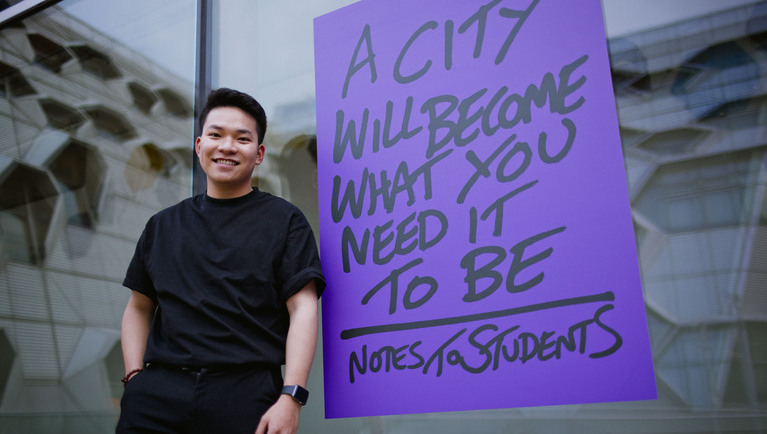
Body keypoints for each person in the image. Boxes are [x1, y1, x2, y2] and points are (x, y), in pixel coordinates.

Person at [116, 88, 325, 434]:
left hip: (246, 395)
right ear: (200, 146)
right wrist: (135, 379)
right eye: (216, 135)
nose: (227, 146)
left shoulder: (285, 220)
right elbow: (138, 307)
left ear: (258, 154)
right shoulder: (163, 225)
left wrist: (291, 395)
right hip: (157, 395)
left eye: (242, 138)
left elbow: (303, 309)